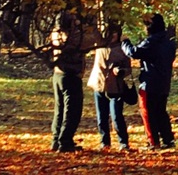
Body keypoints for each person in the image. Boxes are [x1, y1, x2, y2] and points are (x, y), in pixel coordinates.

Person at [128, 13, 178, 149]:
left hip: (149, 83)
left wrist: (125, 43)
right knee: (161, 111)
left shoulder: (151, 42)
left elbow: (133, 52)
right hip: (163, 83)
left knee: (148, 113)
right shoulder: (169, 43)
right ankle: (168, 139)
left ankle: (153, 141)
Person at [87, 25, 134, 150]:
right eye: (110, 33)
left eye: (115, 33)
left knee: (116, 116)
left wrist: (121, 71)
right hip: (99, 84)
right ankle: (104, 142)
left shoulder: (122, 48)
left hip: (115, 87)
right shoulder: (100, 44)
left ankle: (123, 142)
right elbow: (93, 30)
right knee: (101, 117)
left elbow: (128, 69)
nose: (112, 36)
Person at [48, 14, 86, 153]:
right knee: (72, 110)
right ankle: (65, 141)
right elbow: (85, 43)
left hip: (58, 74)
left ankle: (56, 139)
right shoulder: (71, 37)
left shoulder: (54, 34)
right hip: (70, 74)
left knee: (60, 109)